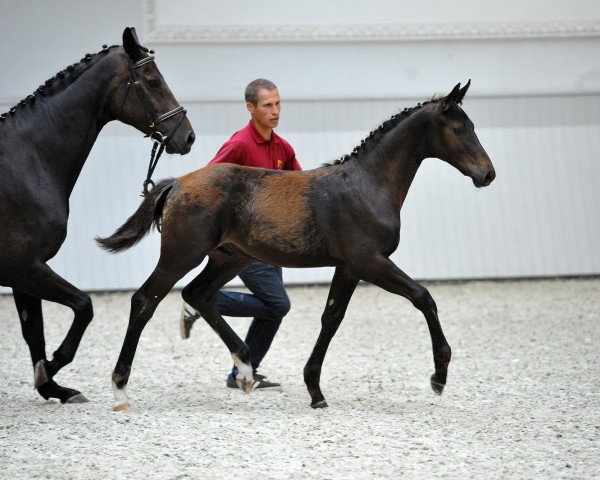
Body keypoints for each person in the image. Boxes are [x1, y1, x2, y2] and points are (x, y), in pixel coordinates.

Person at [180, 78, 301, 392]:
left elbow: (301, 190)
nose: (275, 111)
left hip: (273, 244)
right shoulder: (239, 145)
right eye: (267, 105)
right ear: (251, 108)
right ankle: (205, 300)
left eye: (277, 103)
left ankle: (241, 375)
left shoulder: (283, 148)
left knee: (272, 310)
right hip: (245, 247)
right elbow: (207, 186)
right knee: (278, 306)